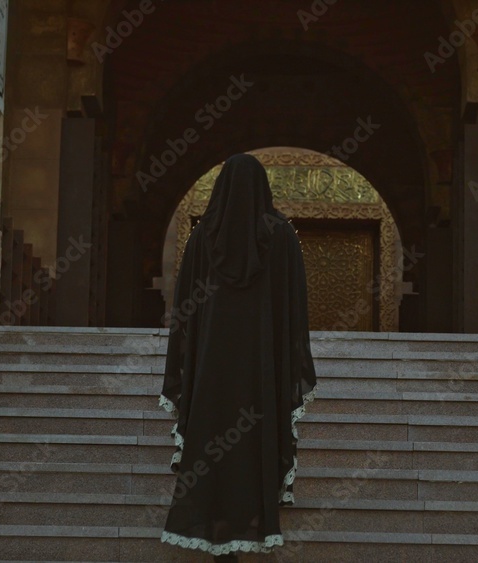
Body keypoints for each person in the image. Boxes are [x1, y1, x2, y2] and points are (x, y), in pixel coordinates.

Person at [158, 153, 318, 560]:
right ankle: (255, 514)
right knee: (257, 433)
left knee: (212, 434)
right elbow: (294, 307)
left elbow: (184, 310)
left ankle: (209, 517)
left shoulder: (202, 236)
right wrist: (289, 356)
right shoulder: (281, 235)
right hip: (261, 365)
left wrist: (187, 361)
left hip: (213, 365)